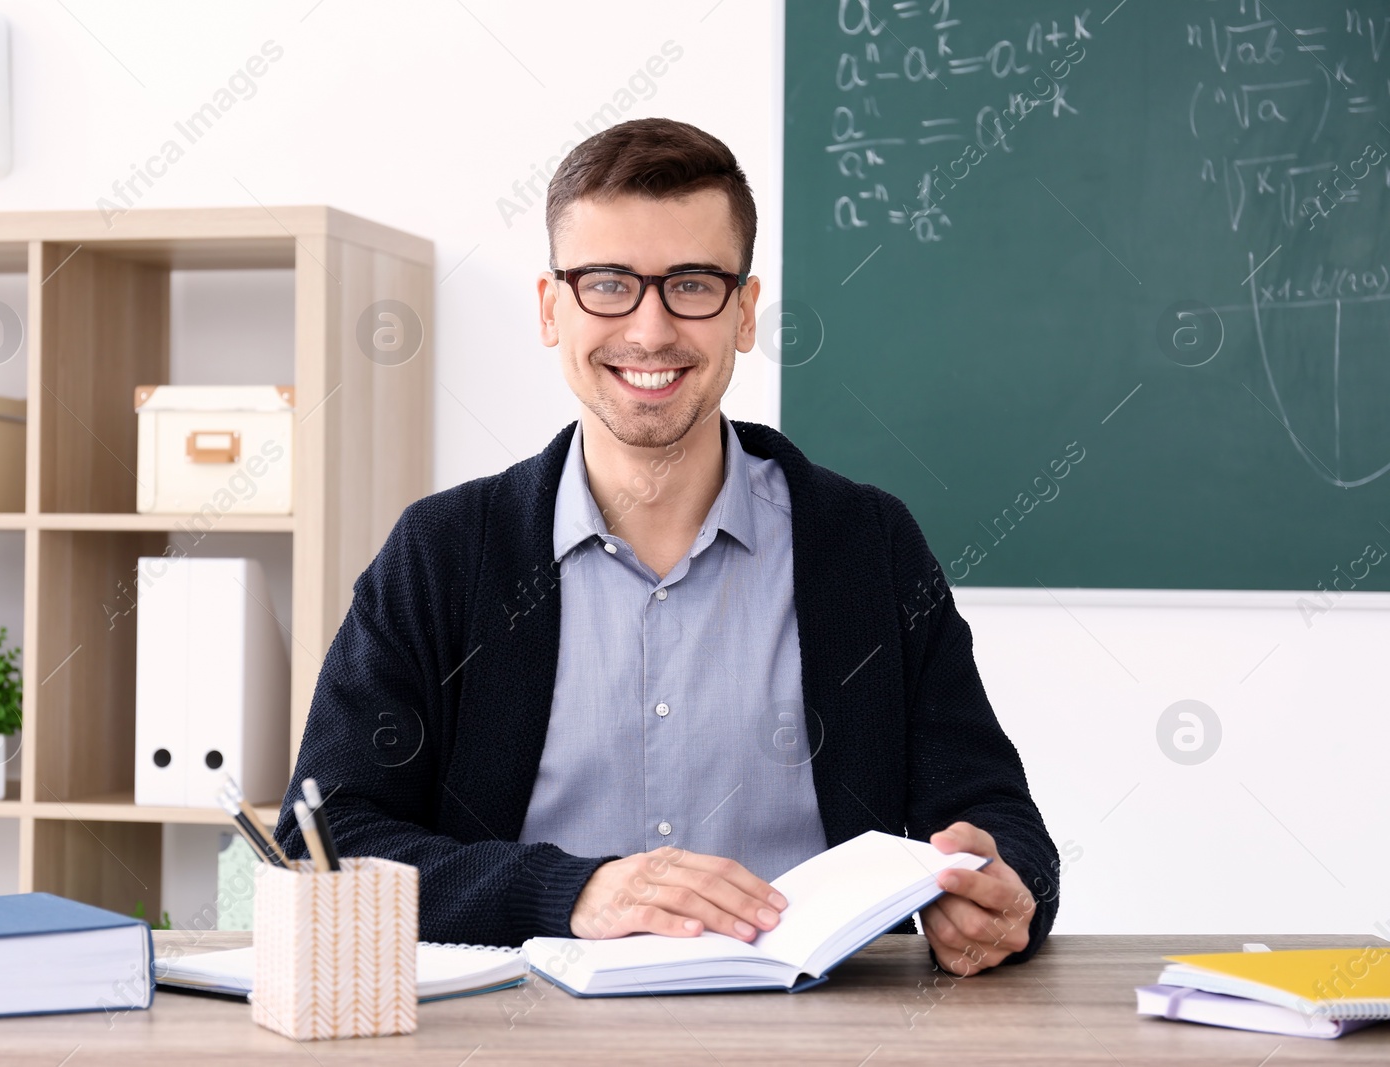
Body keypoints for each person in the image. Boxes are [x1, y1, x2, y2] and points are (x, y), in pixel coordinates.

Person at [274, 117, 1058, 977]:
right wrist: (573, 892)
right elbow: (324, 844)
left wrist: (1002, 882)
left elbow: (999, 819)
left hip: (816, 1036)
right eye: (608, 283)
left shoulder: (869, 544)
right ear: (551, 308)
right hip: (519, 1038)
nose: (649, 331)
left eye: (692, 283)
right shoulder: (441, 554)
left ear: (745, 312)